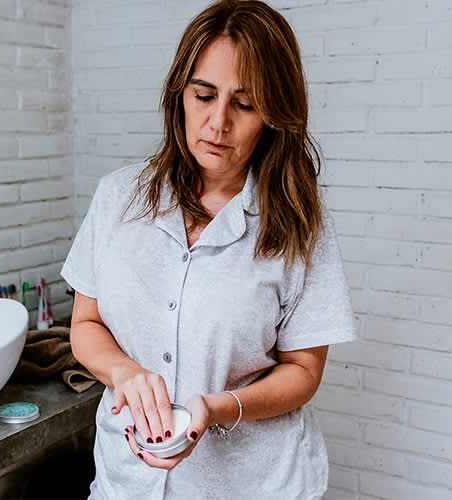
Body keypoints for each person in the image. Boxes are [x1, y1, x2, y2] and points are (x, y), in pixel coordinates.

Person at [60, 1, 358, 498]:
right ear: (180, 93)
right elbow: (86, 325)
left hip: (251, 484)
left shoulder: (298, 223)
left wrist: (219, 408)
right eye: (204, 95)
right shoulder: (118, 197)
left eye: (244, 104)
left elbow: (303, 371)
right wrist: (125, 372)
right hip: (126, 482)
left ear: (274, 114)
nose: (217, 122)